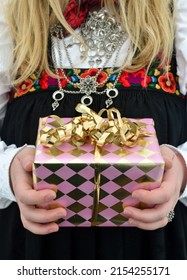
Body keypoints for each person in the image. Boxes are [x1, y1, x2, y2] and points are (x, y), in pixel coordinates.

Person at [0, 0, 187, 260]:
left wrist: (181, 171)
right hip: (37, 249)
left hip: (154, 246)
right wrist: (8, 172)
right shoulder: (10, 9)